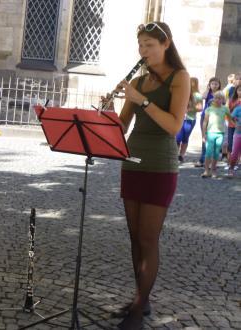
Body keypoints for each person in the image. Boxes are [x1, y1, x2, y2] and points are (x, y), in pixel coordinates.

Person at [112, 22, 189, 330]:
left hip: (160, 164)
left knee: (148, 238)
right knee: (134, 238)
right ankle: (140, 300)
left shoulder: (179, 78)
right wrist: (110, 107)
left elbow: (173, 126)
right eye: (141, 46)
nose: (143, 52)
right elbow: (121, 126)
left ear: (166, 44)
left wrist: (142, 99)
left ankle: (139, 309)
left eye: (149, 45)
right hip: (133, 162)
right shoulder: (139, 80)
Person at [201, 91, 232, 178]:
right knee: (208, 152)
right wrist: (204, 135)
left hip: (220, 134)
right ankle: (206, 170)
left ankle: (214, 170)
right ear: (213, 99)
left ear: (223, 100)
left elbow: (230, 119)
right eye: (216, 98)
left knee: (216, 153)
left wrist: (235, 122)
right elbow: (205, 122)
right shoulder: (209, 109)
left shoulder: (225, 109)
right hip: (210, 133)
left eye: (220, 98)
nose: (218, 100)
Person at [194, 77, 221, 167]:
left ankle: (210, 160)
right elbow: (203, 97)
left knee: (213, 140)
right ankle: (202, 159)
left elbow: (224, 102)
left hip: (215, 118)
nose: (214, 85)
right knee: (204, 138)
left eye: (216, 84)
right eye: (212, 84)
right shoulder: (208, 92)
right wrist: (207, 89)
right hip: (205, 117)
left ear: (219, 85)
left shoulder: (220, 93)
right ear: (209, 85)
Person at [176, 77, 202, 162]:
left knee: (185, 138)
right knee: (178, 138)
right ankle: (175, 154)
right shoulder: (182, 92)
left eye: (192, 82)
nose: (190, 84)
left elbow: (200, 108)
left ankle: (181, 155)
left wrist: (190, 109)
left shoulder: (197, 95)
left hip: (190, 119)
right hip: (180, 118)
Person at [227, 94, 241, 177]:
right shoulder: (238, 108)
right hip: (239, 133)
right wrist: (235, 124)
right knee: (235, 153)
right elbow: (230, 117)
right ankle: (231, 168)